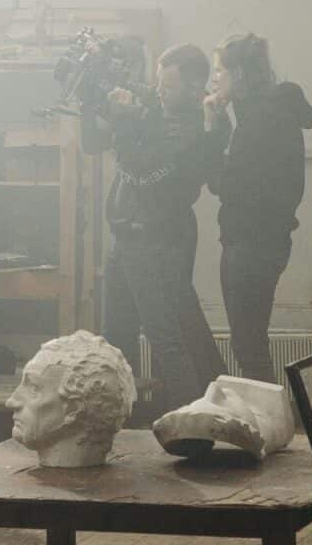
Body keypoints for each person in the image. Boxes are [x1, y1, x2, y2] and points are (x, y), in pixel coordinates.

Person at [81, 42, 230, 416]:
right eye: (158, 83)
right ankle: (122, 423)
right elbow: (92, 142)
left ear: (194, 88)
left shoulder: (190, 127)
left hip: (154, 239)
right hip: (129, 235)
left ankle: (195, 428)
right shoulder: (162, 110)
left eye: (168, 86)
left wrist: (124, 121)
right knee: (117, 338)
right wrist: (92, 95)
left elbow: (140, 173)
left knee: (165, 338)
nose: (159, 92)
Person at [207, 33, 312, 385]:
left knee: (248, 346)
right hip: (266, 242)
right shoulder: (272, 112)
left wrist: (215, 130)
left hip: (250, 244)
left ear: (238, 73)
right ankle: (268, 413)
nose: (214, 79)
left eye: (219, 70)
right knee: (251, 343)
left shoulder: (259, 121)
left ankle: (269, 415)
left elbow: (224, 185)